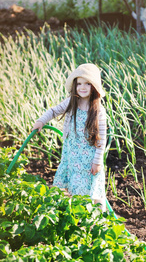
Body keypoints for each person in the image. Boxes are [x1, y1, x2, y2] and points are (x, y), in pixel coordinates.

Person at [32, 63, 107, 211]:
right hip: (71, 154)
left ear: (94, 87)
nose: (82, 87)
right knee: (69, 186)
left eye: (87, 83)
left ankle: (101, 219)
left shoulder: (99, 111)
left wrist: (97, 162)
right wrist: (41, 121)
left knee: (94, 191)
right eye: (79, 84)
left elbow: (101, 139)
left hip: (89, 158)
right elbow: (54, 111)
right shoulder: (72, 103)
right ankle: (71, 216)